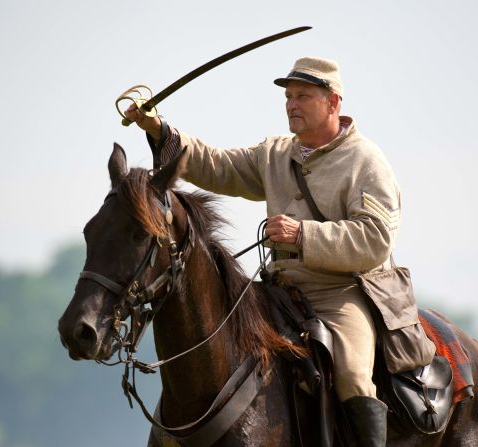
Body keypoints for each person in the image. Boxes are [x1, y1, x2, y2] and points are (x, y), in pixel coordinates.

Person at [125, 57, 435, 446]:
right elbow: (216, 165)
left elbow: (375, 241)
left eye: (303, 96)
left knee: (354, 374)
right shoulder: (274, 153)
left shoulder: (366, 162)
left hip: (342, 292)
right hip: (279, 290)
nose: (291, 104)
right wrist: (159, 128)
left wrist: (302, 234)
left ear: (333, 102)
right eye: (288, 96)